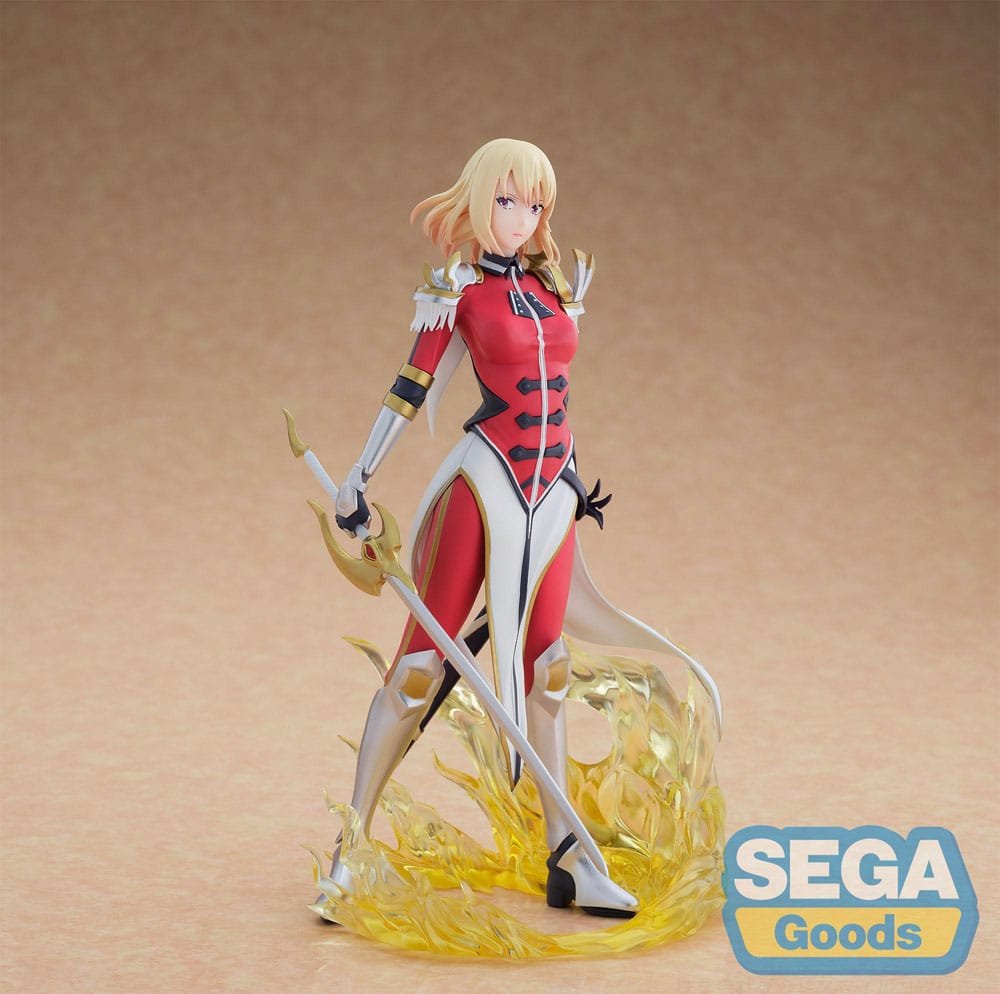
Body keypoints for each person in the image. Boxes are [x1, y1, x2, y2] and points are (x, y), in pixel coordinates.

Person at [323, 138, 718, 920]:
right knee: (420, 667)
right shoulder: (457, 292)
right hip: (484, 486)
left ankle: (567, 859)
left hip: (554, 490)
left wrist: (569, 480)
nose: (521, 217)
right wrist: (357, 479)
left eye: (534, 204)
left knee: (550, 668)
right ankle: (350, 850)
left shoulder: (550, 288)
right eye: (506, 200)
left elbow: (557, 391)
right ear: (478, 201)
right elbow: (410, 386)